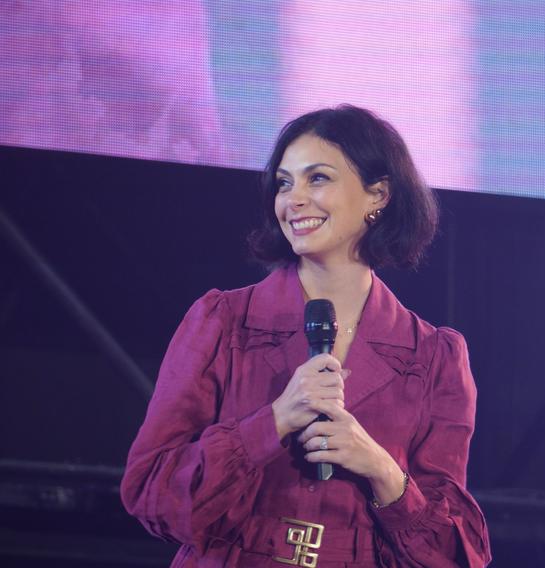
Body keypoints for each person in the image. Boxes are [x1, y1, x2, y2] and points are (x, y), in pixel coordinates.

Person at [120, 105, 491, 567]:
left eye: (317, 179)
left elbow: (455, 555)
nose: (293, 199)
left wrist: (381, 469)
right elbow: (151, 493)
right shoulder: (223, 322)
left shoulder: (433, 357)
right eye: (283, 182)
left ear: (378, 194)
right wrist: (272, 421)